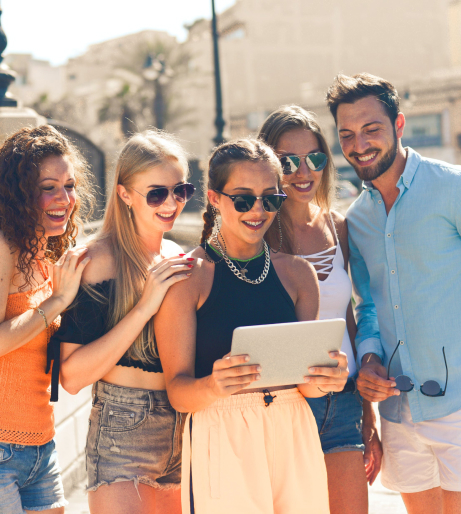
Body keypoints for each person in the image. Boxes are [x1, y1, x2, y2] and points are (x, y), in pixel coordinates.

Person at [326, 72, 461, 514]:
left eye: (372, 129)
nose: (359, 145)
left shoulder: (455, 188)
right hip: (398, 413)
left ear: (399, 125)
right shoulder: (358, 219)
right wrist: (368, 356)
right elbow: (366, 306)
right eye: (347, 134)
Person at [154, 138, 349, 514]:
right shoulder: (187, 278)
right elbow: (178, 393)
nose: (257, 210)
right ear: (214, 198)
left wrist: (328, 377)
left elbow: (307, 387)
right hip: (221, 429)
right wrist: (213, 384)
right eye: (243, 199)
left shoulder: (298, 274)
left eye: (270, 198)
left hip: (294, 427)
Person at [51, 130, 196, 514]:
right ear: (124, 193)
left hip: (184, 425)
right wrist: (145, 306)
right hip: (123, 430)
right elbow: (72, 376)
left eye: (180, 190)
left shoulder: (176, 253)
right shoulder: (96, 260)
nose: (171, 203)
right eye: (156, 193)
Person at [258, 104, 382, 514]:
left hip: (343, 398)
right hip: (284, 404)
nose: (302, 171)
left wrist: (368, 413)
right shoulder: (255, 235)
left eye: (313, 158)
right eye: (287, 161)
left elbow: (347, 318)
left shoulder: (337, 226)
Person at [0, 125, 94, 514]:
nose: (63, 198)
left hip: (42, 443)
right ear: (21, 194)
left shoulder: (48, 253)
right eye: (48, 187)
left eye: (69, 185)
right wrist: (57, 301)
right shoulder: (5, 247)